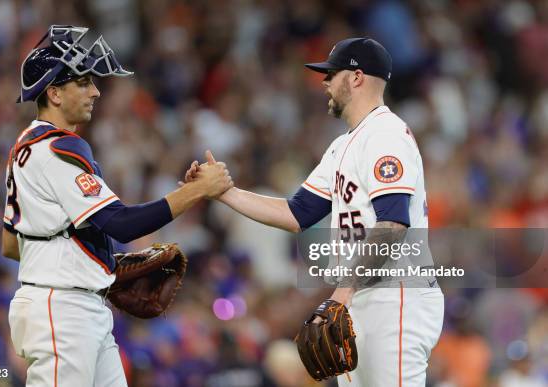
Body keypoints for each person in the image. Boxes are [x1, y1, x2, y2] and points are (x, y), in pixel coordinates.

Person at [185, 37, 444, 386]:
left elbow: (393, 224)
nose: (324, 83)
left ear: (356, 77)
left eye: (331, 74)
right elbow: (297, 214)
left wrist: (342, 292)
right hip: (363, 297)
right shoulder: (343, 145)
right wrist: (225, 193)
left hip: (394, 296)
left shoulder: (386, 134)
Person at [2, 25, 232, 387]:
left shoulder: (27, 145)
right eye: (84, 83)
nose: (95, 91)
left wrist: (95, 263)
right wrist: (199, 191)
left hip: (75, 307)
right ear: (55, 93)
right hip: (62, 312)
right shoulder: (56, 149)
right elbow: (121, 224)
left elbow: (11, 244)